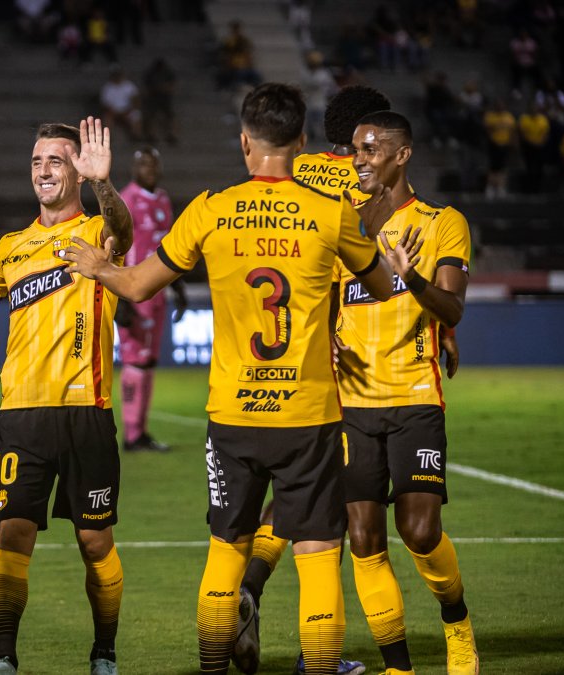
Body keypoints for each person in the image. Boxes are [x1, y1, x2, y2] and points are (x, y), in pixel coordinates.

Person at [64, 83, 395, 674]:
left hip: (233, 417)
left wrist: (98, 265)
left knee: (226, 550)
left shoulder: (211, 209)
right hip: (308, 414)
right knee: (319, 555)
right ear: (300, 142)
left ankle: (213, 667)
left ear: (244, 142)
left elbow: (138, 285)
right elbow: (377, 286)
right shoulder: (330, 212)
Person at [0, 118, 133, 675]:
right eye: (37, 162)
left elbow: (124, 234)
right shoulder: (10, 248)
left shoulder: (97, 233)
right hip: (21, 417)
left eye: (55, 161)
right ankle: (3, 658)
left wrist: (105, 184)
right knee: (13, 537)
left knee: (94, 542)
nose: (43, 171)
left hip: (87, 413)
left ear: (77, 172)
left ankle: (104, 653)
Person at [236, 84, 432, 675]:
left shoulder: (292, 175)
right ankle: (312, 652)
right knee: (329, 517)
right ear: (360, 137)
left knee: (297, 496)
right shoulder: (362, 181)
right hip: (351, 368)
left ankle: (248, 584)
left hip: (283, 361)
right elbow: (378, 259)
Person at [336, 109, 479, 675]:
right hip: (352, 404)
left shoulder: (443, 221)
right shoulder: (341, 225)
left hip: (415, 396)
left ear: (402, 155)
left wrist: (412, 277)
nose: (359, 159)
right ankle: (398, 667)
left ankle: (458, 624)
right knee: (363, 539)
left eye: (371, 149)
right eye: (355, 149)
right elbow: (323, 298)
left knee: (419, 531)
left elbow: (454, 309)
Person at [116, 146, 187, 452]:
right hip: (134, 291)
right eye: (144, 164)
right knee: (136, 360)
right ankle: (132, 434)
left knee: (149, 360)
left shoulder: (162, 199)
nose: (150, 170)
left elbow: (171, 248)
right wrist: (119, 298)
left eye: (153, 164)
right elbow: (114, 248)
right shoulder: (125, 200)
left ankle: (141, 432)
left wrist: (179, 289)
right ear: (133, 168)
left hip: (159, 293)